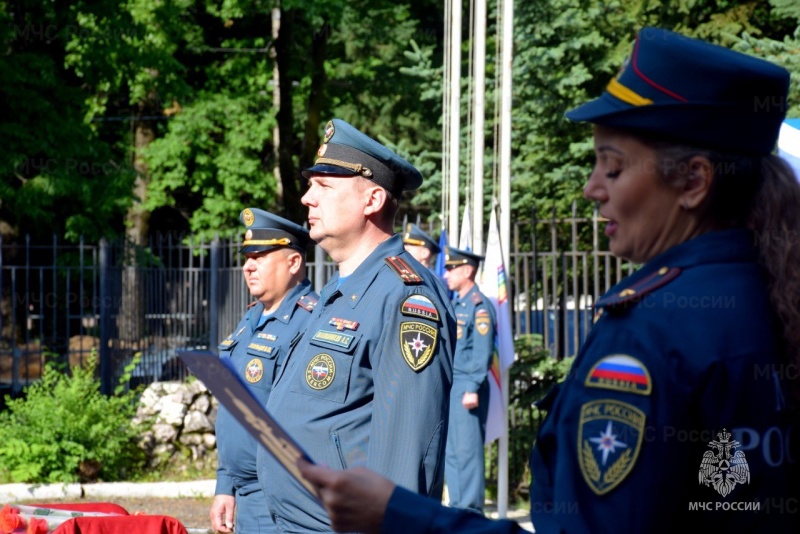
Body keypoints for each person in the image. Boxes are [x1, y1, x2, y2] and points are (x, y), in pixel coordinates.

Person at [297, 26, 800, 533]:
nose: (592, 188)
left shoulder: (652, 331)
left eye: (613, 167)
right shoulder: (766, 295)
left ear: (693, 181)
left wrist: (403, 516)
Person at [256, 118, 457, 531]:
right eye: (310, 186)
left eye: (324, 186)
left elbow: (406, 455)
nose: (307, 198)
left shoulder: (405, 297)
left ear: (372, 200)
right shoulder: (339, 290)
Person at [210, 208, 318, 534]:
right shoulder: (252, 318)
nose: (248, 266)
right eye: (247, 257)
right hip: (246, 495)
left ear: (294, 262)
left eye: (260, 256)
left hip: (282, 500)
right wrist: (225, 485)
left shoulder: (312, 322)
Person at [442, 245, 496, 513]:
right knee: (452, 451)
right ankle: (457, 507)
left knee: (467, 451)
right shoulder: (457, 304)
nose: (446, 274)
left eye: (451, 269)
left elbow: (483, 350)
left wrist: (473, 386)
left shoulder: (479, 306)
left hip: (467, 385)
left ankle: (471, 511)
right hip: (454, 384)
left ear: (467, 271)